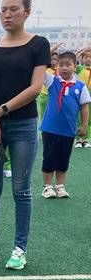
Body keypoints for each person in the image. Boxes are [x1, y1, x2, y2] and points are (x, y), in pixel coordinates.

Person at [0, 0, 51, 270]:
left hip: (22, 126)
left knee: (21, 189)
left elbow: (34, 88)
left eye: (13, 9)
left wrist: (1, 111)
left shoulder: (38, 45)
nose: (7, 14)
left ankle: (19, 249)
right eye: (3, 10)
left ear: (26, 12)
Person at [39, 51, 89, 199]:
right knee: (49, 157)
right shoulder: (52, 81)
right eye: (61, 65)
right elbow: (40, 68)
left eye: (68, 64)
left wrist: (84, 125)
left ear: (75, 66)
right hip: (50, 129)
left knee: (63, 158)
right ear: (56, 66)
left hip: (68, 130)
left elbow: (84, 107)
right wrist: (47, 54)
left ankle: (60, 186)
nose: (64, 68)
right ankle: (47, 186)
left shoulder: (80, 86)